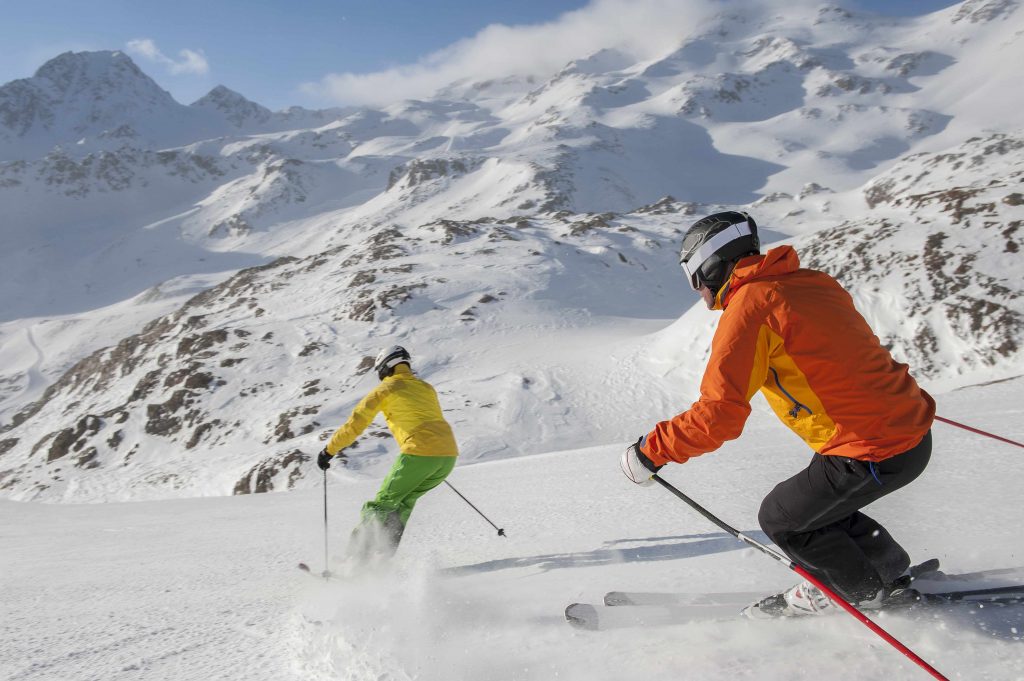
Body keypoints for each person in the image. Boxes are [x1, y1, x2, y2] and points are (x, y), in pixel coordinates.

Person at [620, 211, 935, 618]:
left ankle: (857, 591)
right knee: (816, 506)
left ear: (712, 265)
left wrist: (650, 452)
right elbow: (849, 356)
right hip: (908, 433)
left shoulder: (750, 310)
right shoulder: (811, 283)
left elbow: (720, 414)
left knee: (782, 518)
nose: (697, 290)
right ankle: (885, 571)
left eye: (694, 277)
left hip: (870, 450)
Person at [317, 345, 459, 564]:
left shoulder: (386, 389)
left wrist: (329, 451)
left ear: (385, 367)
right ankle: (380, 560)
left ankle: (353, 561)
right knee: (403, 503)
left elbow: (355, 424)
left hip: (419, 454)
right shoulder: (426, 387)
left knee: (380, 505)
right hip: (447, 456)